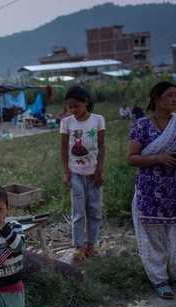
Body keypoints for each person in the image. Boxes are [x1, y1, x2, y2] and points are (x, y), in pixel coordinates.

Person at [126, 81, 176, 300]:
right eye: (170, 95)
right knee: (153, 237)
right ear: (156, 99)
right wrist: (158, 157)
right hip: (151, 191)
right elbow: (131, 159)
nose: (175, 100)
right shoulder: (141, 126)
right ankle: (159, 279)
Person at [60, 85, 105, 263]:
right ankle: (78, 247)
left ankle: (91, 245)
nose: (73, 110)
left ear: (86, 102)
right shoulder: (67, 122)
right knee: (78, 212)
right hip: (76, 174)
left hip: (94, 174)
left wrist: (99, 170)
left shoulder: (98, 120)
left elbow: (101, 146)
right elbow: (64, 148)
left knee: (95, 211)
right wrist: (66, 172)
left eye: (76, 106)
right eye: (70, 107)